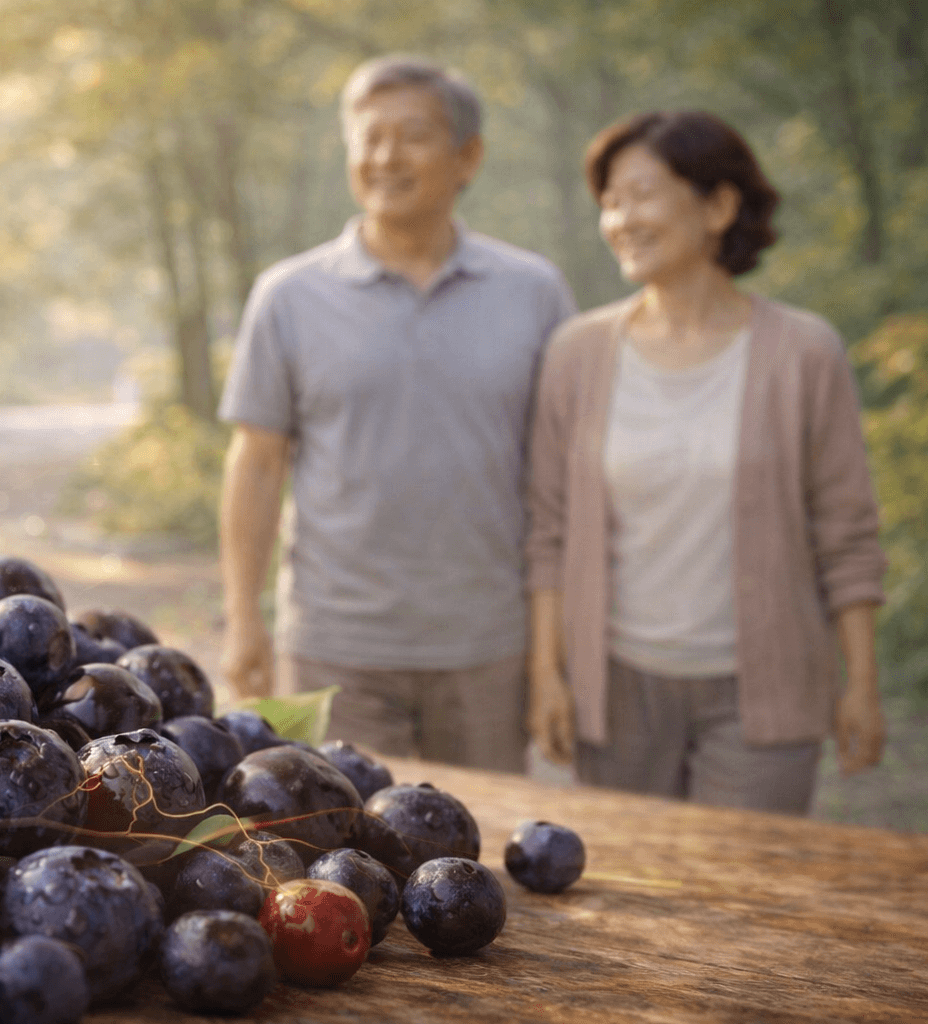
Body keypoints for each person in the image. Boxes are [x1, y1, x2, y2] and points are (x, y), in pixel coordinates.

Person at [216, 55, 577, 771]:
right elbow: (256, 466)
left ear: (467, 156)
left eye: (412, 135)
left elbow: (556, 486)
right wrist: (243, 619)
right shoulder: (288, 296)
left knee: (477, 860)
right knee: (351, 857)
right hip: (339, 645)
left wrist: (549, 658)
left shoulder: (533, 291)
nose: (384, 156)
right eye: (367, 136)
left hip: (487, 646)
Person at [526, 110, 887, 813]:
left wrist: (863, 683)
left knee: (747, 900)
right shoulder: (577, 353)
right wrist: (548, 673)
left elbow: (847, 533)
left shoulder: (804, 352)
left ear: (719, 205)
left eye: (639, 194)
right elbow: (549, 530)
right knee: (630, 903)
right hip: (619, 690)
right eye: (609, 201)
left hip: (765, 691)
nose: (620, 218)